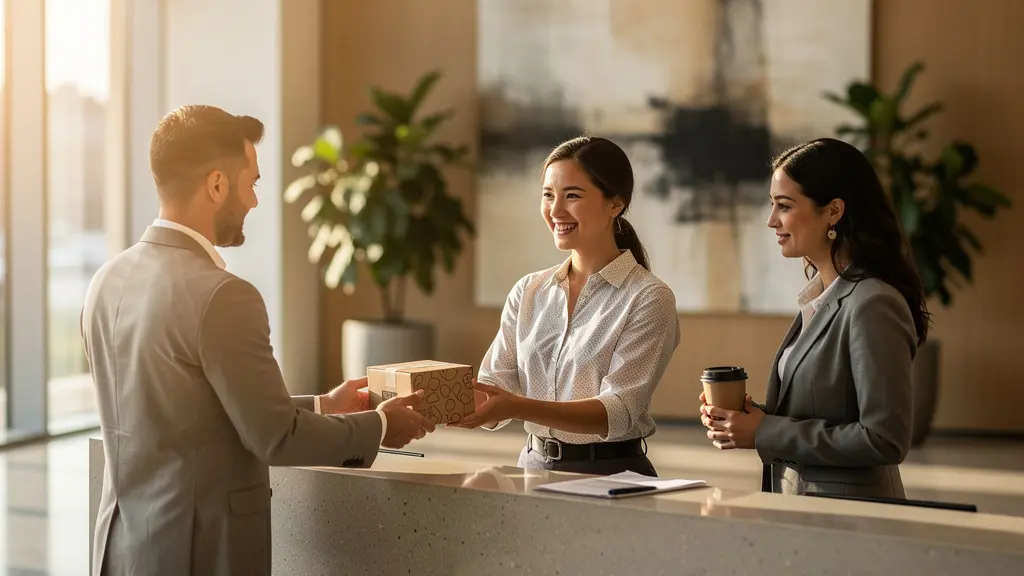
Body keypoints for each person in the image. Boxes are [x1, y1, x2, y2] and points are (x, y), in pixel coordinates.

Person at [82, 105, 436, 576]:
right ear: (216, 185)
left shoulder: (105, 281)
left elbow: (185, 412)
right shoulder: (224, 296)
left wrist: (323, 405)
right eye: (251, 183)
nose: (253, 201)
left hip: (121, 549)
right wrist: (380, 427)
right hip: (200, 554)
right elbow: (276, 439)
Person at [699, 137, 929, 498]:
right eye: (772, 205)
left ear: (834, 211)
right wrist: (749, 420)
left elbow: (884, 438)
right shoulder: (820, 299)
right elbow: (823, 412)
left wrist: (765, 432)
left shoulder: (872, 303)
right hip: (804, 513)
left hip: (852, 519)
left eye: (784, 206)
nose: (771, 220)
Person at [453, 136, 680, 476]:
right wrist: (423, 399)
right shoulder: (529, 291)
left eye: (572, 195)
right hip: (532, 469)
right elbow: (493, 392)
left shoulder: (648, 297)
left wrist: (517, 406)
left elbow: (617, 412)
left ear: (615, 203)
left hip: (613, 476)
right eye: (548, 195)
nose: (555, 211)